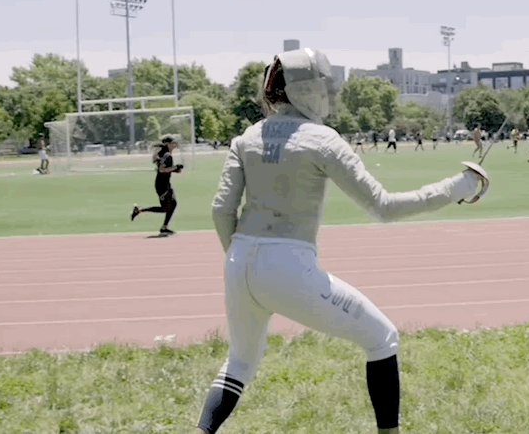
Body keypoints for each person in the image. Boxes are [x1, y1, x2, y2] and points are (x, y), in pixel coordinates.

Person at [193, 48, 489, 434]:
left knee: (239, 364)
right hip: (288, 264)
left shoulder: (246, 137)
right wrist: (457, 187)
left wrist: (240, 257)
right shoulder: (323, 139)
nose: (327, 93)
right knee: (382, 338)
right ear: (306, 89)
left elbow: (220, 211)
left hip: (238, 258)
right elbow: (383, 206)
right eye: (322, 85)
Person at [130, 136, 182, 235]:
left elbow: (164, 169)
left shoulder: (164, 154)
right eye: (173, 143)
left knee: (173, 204)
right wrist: (175, 167)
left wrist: (174, 170)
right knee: (165, 208)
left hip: (165, 184)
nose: (175, 144)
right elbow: (162, 170)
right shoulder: (167, 155)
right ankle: (139, 210)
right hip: (162, 185)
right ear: (167, 144)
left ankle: (164, 227)